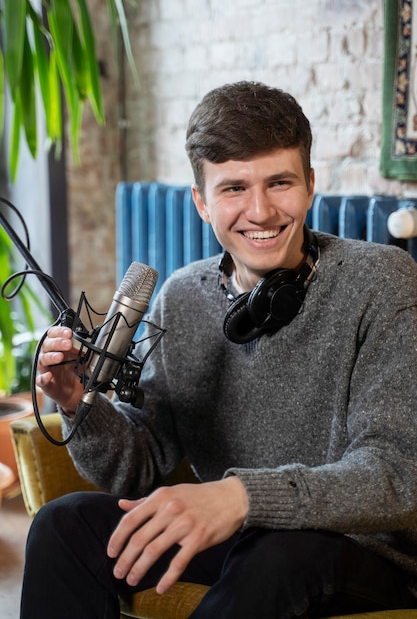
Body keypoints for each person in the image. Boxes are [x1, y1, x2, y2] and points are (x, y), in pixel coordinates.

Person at [21, 81, 417, 619]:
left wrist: (241, 497)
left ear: (310, 186)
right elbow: (141, 465)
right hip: (243, 540)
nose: (260, 211)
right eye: (233, 189)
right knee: (64, 526)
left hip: (360, 554)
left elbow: (396, 477)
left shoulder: (382, 280)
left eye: (279, 183)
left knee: (277, 553)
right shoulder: (183, 297)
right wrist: (75, 402)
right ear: (202, 203)